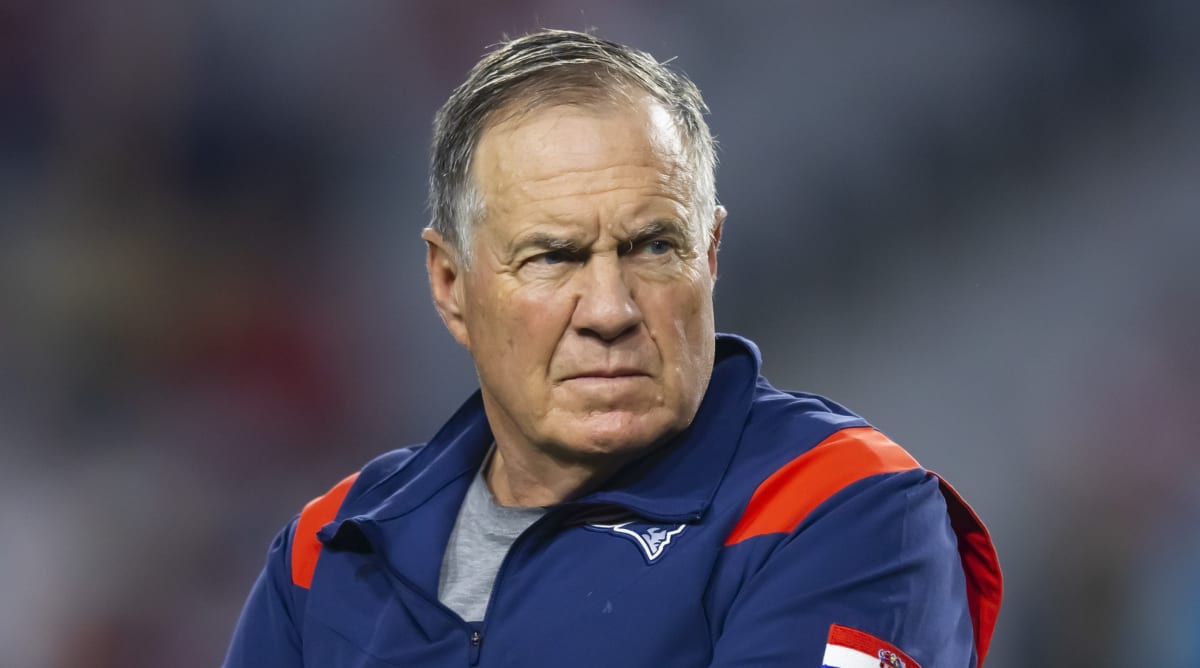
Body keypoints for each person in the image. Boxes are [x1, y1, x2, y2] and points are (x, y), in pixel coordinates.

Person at [224, 28, 1001, 668]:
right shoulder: (331, 549)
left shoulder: (842, 508)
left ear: (712, 254)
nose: (608, 309)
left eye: (652, 246)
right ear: (451, 283)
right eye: (553, 256)